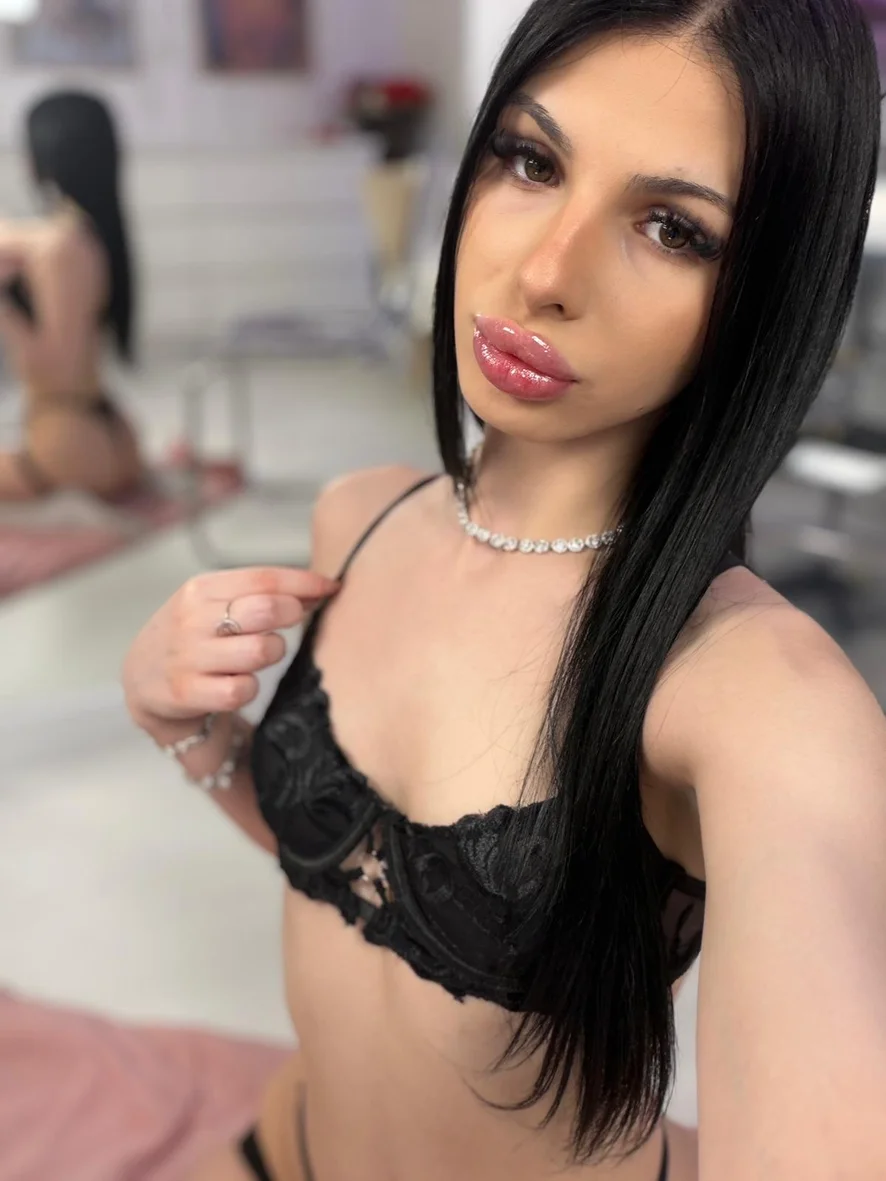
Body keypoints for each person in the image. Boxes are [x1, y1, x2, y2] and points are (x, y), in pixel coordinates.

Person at [123, 2, 886, 1179]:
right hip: (285, 1149)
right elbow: (363, 887)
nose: (544, 273)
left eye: (673, 228)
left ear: (769, 290)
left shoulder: (752, 692)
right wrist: (189, 730)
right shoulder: (357, 519)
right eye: (531, 161)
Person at [0, 90, 142, 501]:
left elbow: (51, 366)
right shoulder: (95, 232)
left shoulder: (60, 248)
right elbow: (21, 235)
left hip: (65, 441)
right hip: (108, 430)